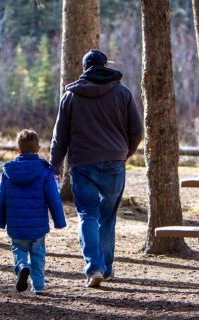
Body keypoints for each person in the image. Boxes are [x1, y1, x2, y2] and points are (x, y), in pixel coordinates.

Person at [50, 49, 143, 288]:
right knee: (107, 218)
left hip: (82, 165)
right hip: (114, 163)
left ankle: (95, 268)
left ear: (85, 69)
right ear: (104, 66)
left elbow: (59, 137)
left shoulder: (71, 96)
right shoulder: (122, 93)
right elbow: (137, 130)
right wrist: (125, 152)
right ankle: (107, 269)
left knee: (87, 216)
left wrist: (55, 165)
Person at [0, 129, 67, 294]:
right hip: (38, 226)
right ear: (37, 150)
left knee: (18, 250)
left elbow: (1, 198)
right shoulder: (45, 171)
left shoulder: (8, 172)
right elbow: (53, 198)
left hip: (16, 225)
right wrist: (59, 221)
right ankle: (39, 287)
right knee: (38, 255)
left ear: (17, 150)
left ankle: (21, 267)